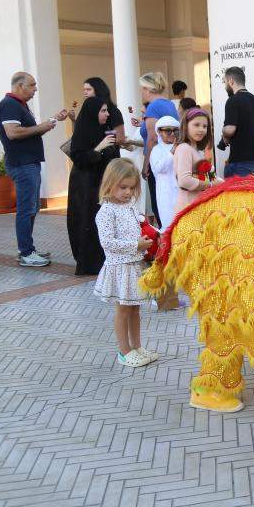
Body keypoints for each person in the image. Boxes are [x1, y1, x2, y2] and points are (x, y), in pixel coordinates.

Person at [0, 71, 68, 267]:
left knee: (32, 208)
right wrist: (42, 126)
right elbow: (13, 133)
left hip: (28, 163)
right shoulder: (9, 105)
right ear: (20, 86)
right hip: (22, 164)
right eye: (32, 85)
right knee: (26, 209)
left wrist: (52, 120)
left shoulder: (19, 105)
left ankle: (27, 249)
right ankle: (26, 253)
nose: (35, 89)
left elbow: (27, 130)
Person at [93, 158, 157, 368]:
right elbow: (107, 243)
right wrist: (136, 245)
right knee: (123, 310)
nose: (128, 192)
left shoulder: (130, 205)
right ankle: (124, 350)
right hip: (120, 268)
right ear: (109, 183)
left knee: (135, 308)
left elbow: (139, 226)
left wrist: (151, 236)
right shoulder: (106, 211)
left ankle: (137, 347)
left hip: (135, 265)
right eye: (123, 187)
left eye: (132, 188)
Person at [66, 97, 120, 275]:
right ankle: (90, 263)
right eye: (103, 111)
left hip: (103, 183)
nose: (107, 114)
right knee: (88, 220)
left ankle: (107, 259)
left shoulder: (104, 130)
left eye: (107, 110)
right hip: (86, 185)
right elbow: (79, 158)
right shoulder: (82, 133)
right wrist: (99, 147)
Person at [140, 72, 177, 228]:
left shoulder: (153, 107)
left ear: (149, 89)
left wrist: (145, 164)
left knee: (160, 204)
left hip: (159, 159)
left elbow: (153, 138)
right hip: (171, 156)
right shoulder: (169, 104)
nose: (141, 93)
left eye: (142, 89)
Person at [220, 66, 254, 178]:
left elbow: (230, 129)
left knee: (237, 195)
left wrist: (223, 132)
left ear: (231, 81)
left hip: (240, 163)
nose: (225, 86)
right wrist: (250, 128)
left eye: (225, 82)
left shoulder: (232, 101)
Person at [174, 107, 220, 213]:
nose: (201, 129)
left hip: (198, 205)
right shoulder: (184, 148)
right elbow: (185, 181)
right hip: (188, 207)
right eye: (196, 125)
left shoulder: (197, 151)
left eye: (205, 126)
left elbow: (211, 177)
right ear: (186, 126)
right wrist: (211, 184)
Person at [68, 78, 125, 142]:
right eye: (84, 90)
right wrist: (73, 120)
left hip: (107, 150)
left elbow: (120, 137)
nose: (85, 92)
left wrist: (102, 134)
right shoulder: (87, 109)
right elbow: (77, 132)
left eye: (88, 89)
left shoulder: (113, 111)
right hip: (86, 151)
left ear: (98, 90)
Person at [149, 116, 180, 232]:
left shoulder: (183, 146)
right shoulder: (156, 150)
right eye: (168, 131)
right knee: (169, 226)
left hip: (182, 191)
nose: (172, 134)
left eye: (175, 130)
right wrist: (172, 151)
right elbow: (159, 168)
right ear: (159, 132)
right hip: (166, 192)